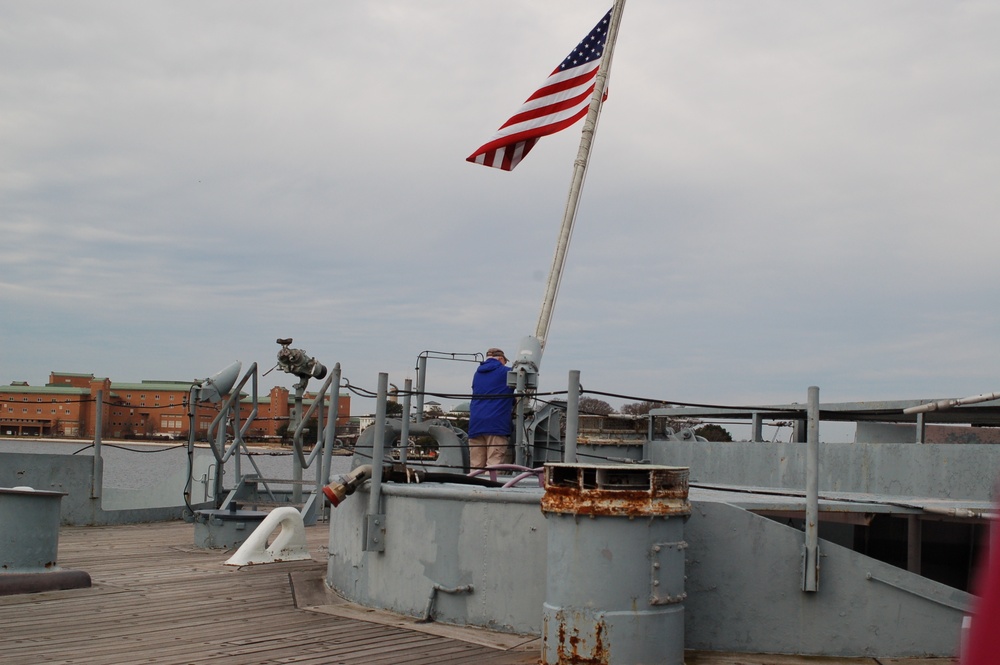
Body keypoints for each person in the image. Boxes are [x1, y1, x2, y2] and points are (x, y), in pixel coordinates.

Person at [467, 347, 515, 471]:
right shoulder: (506, 372)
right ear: (500, 359)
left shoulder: (477, 374)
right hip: (496, 424)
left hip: (476, 424)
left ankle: (473, 489)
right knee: (493, 465)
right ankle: (490, 489)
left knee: (475, 466)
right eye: (505, 361)